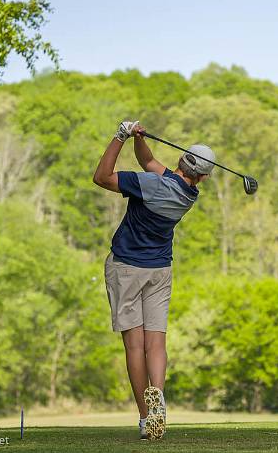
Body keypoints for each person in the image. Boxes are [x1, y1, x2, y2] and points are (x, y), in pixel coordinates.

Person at [92, 120, 214, 440]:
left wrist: (120, 136)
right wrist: (139, 140)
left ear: (180, 161)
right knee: (155, 342)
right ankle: (157, 399)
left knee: (135, 347)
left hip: (127, 269)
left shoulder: (152, 185)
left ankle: (147, 418)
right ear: (202, 177)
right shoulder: (187, 193)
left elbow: (101, 177)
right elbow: (148, 161)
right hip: (160, 270)